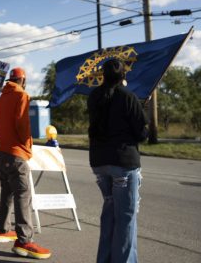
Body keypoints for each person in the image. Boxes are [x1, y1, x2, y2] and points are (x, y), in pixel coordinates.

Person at [87, 59, 148, 263]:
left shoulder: (94, 96)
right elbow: (141, 134)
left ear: (103, 75)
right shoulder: (129, 97)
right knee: (125, 219)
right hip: (123, 163)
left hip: (99, 163)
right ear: (123, 76)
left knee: (110, 214)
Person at [0, 67, 51, 259]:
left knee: (8, 193)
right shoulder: (21, 95)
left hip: (2, 152)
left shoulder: (3, 96)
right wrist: (27, 146)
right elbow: (23, 125)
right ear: (23, 80)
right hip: (16, 154)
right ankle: (24, 241)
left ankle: (1, 230)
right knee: (23, 195)